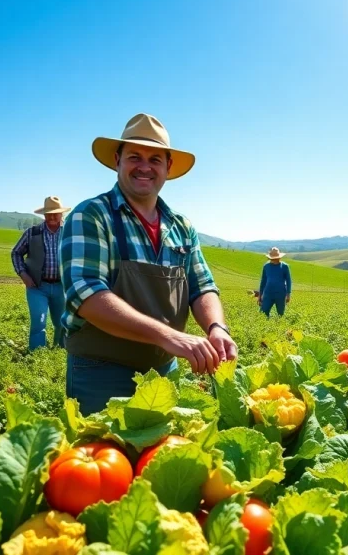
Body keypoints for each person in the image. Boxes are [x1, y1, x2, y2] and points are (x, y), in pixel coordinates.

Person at [61, 113, 238, 415]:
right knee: (102, 459)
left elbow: (202, 286)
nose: (145, 167)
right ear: (117, 160)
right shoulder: (91, 215)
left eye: (155, 159)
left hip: (163, 372)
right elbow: (86, 293)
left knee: (158, 458)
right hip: (101, 370)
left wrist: (216, 327)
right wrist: (171, 337)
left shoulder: (181, 225)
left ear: (168, 167)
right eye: (134, 157)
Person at [12, 196, 72, 350]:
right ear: (43, 215)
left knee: (62, 322)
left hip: (62, 286)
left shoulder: (70, 233)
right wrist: (23, 274)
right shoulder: (32, 233)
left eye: (55, 213)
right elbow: (16, 253)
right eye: (48, 213)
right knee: (39, 321)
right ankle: (37, 354)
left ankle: (61, 351)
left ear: (61, 214)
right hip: (37, 286)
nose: (52, 217)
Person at [258, 247, 292, 317]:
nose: (274, 260)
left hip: (280, 294)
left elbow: (288, 281)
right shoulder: (266, 266)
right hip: (268, 293)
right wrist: (260, 295)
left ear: (279, 258)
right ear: (270, 258)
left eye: (276, 259)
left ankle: (279, 326)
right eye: (273, 259)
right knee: (263, 313)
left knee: (280, 314)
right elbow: (263, 281)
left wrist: (288, 294)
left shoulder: (285, 267)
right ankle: (266, 326)